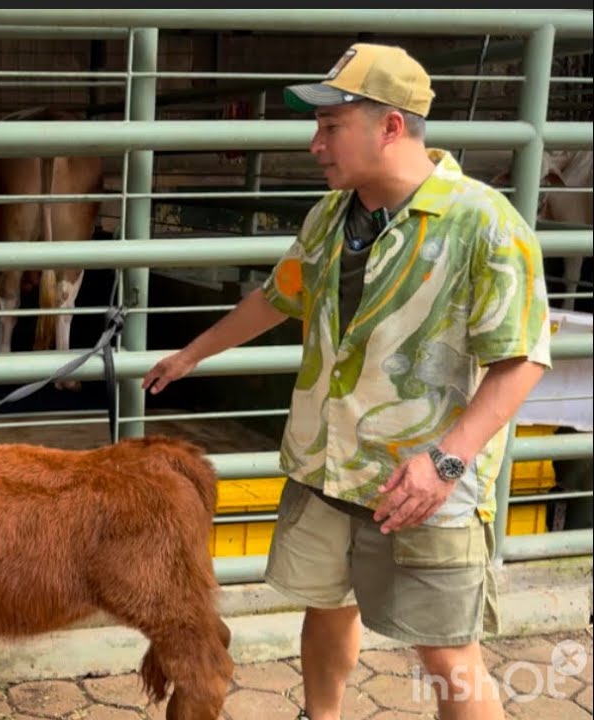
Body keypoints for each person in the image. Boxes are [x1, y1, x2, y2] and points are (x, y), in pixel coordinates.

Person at [142, 43, 551, 720]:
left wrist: (446, 462)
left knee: (447, 650)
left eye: (331, 126)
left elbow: (523, 359)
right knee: (327, 606)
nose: (315, 144)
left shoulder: (485, 225)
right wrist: (194, 353)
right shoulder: (332, 215)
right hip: (326, 463)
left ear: (389, 127)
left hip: (419, 481)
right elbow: (281, 294)